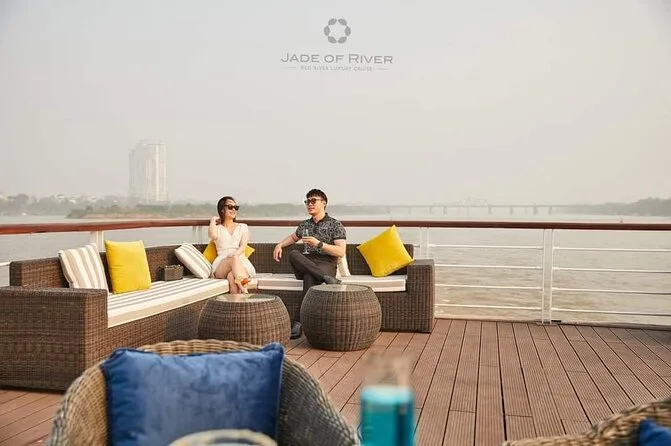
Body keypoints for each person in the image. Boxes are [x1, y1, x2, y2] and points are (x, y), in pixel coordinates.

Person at [273, 188, 346, 339]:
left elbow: (340, 251)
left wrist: (319, 244)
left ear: (323, 203)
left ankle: (298, 323)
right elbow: (293, 238)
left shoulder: (335, 225)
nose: (309, 204)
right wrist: (279, 244)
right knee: (294, 254)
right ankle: (326, 278)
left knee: (309, 276)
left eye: (313, 201)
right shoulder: (304, 224)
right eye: (307, 201)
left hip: (326, 262)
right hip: (306, 261)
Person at [209, 196, 256, 293]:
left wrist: (235, 255)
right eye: (230, 207)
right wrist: (213, 220)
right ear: (222, 210)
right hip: (222, 264)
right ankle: (244, 288)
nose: (234, 210)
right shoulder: (217, 228)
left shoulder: (243, 227)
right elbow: (212, 235)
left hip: (241, 260)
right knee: (233, 259)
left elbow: (243, 246)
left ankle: (238, 300)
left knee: (232, 277)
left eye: (236, 207)